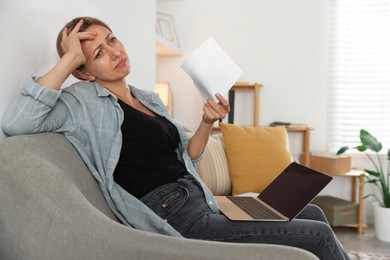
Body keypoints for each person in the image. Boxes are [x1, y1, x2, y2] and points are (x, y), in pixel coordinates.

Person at [2, 16, 350, 259]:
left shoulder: (148, 97)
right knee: (316, 236)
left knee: (316, 213)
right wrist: (68, 61)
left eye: (112, 39)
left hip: (202, 199)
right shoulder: (80, 103)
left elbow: (189, 155)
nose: (114, 52)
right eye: (97, 55)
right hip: (176, 215)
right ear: (84, 72)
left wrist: (206, 122)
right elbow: (16, 124)